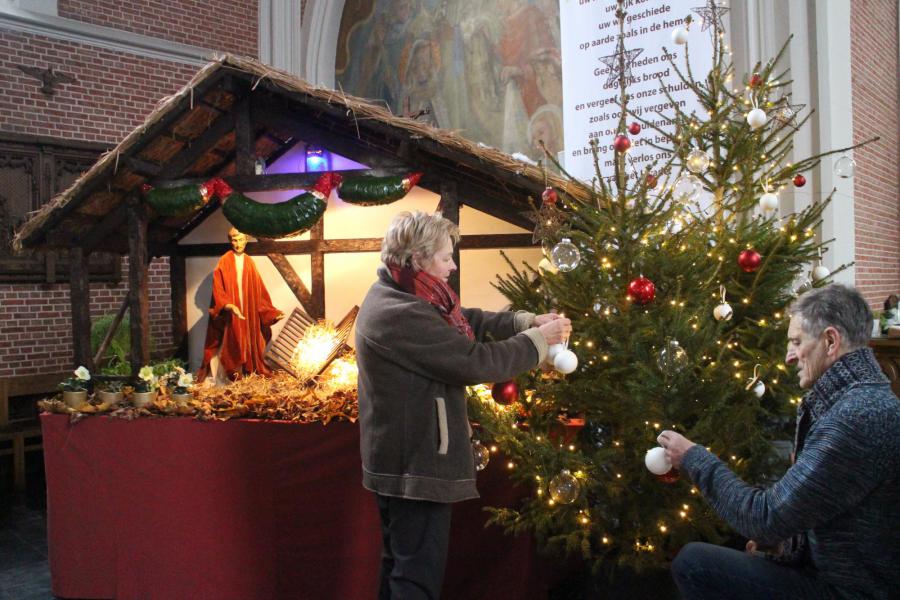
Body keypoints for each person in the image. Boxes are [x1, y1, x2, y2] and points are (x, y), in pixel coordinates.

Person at [355, 211, 571, 599]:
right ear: (418, 259)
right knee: (416, 576)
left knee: (400, 567)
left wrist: (524, 322)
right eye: (444, 257)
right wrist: (539, 341)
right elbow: (474, 361)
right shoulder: (402, 313)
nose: (452, 266)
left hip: (403, 459)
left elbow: (465, 319)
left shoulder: (403, 293)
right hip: (415, 464)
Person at [659, 284, 900, 600]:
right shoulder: (860, 398)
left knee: (694, 563)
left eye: (797, 342)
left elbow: (765, 518)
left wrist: (693, 457)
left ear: (830, 341)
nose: (789, 357)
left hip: (850, 590)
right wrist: (784, 547)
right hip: (835, 571)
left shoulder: (857, 416)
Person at [198, 227, 283, 383]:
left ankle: (248, 372)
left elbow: (260, 291)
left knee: (249, 338)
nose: (238, 244)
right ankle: (233, 376)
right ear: (231, 241)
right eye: (234, 240)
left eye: (241, 239)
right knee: (234, 339)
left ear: (246, 240)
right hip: (231, 312)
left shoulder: (249, 262)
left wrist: (271, 312)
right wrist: (229, 305)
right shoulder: (224, 260)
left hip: (248, 310)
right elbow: (218, 287)